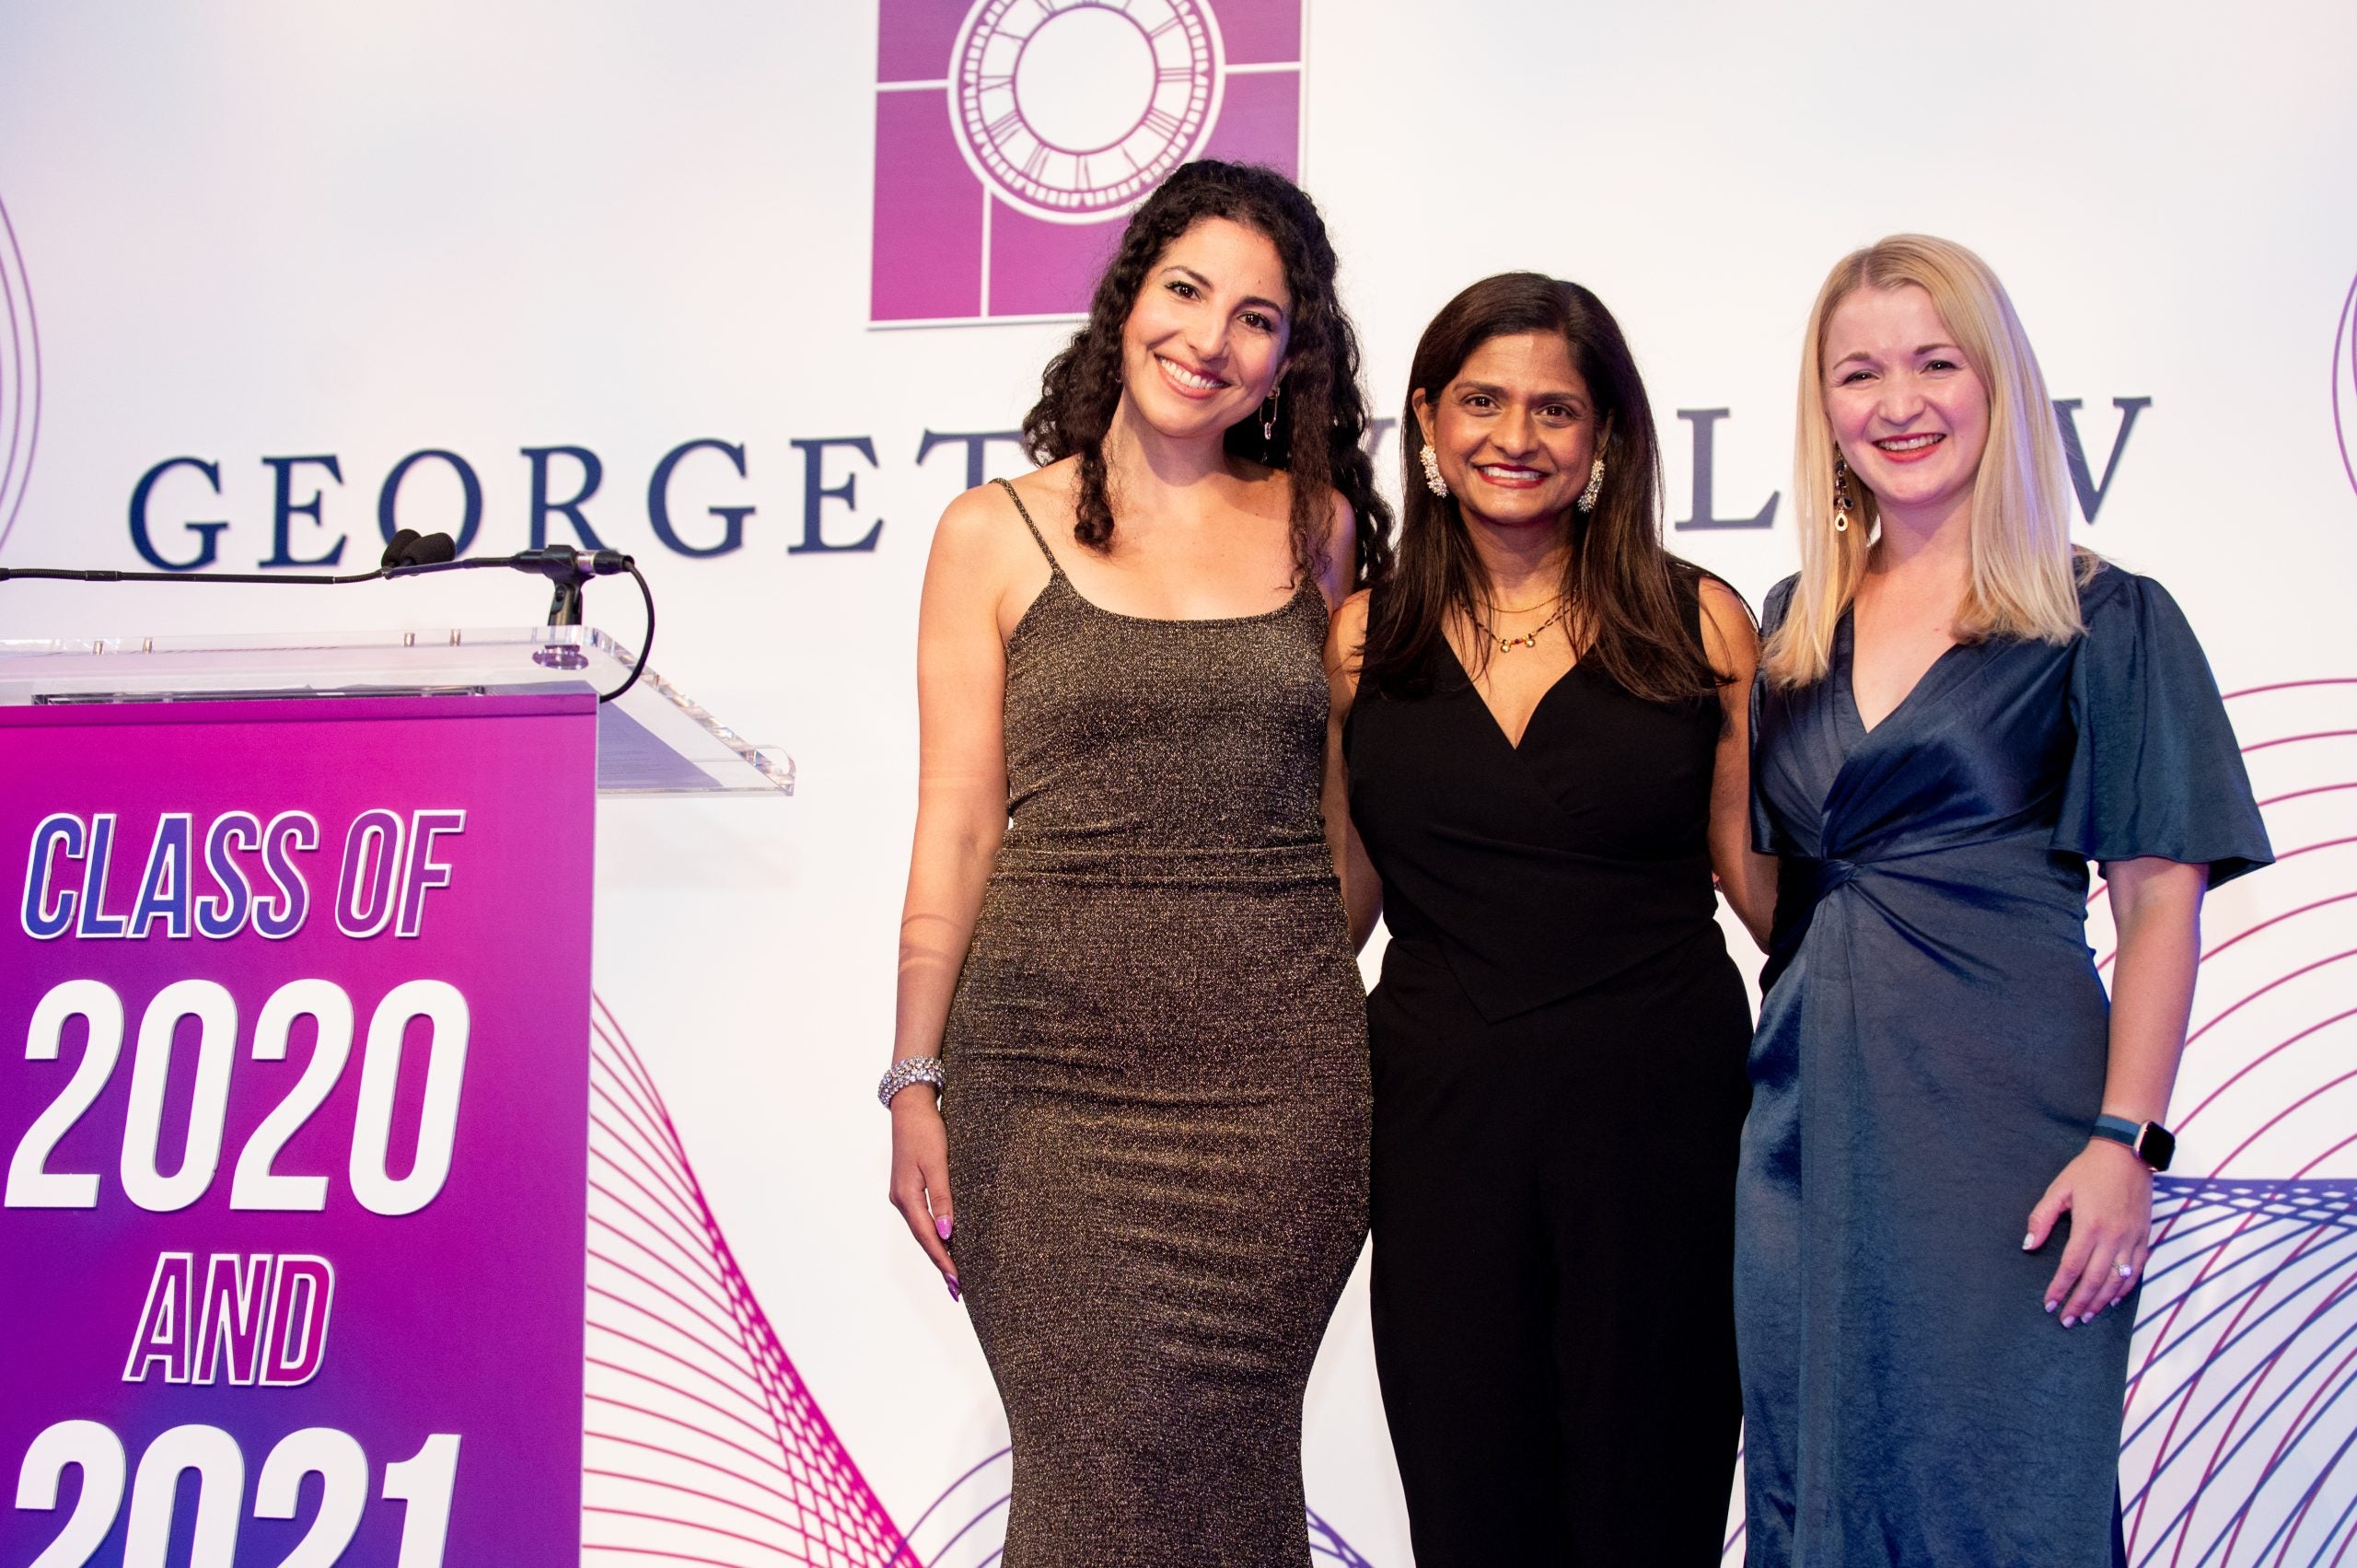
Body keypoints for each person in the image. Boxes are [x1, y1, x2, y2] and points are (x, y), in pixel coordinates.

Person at [878, 161, 1392, 1568]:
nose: (1210, 339)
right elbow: (959, 823)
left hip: (1277, 1102)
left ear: (1291, 361)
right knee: (1095, 1467)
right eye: (1186, 291)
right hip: (1045, 1092)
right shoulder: (993, 529)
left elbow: (1351, 833)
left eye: (1257, 320)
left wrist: (1259, 971)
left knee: (1230, 1475)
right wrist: (915, 1076)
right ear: (1127, 300)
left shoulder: (1322, 529)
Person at [1736, 234, 2272, 1566]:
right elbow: (1771, 893)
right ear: (1824, 409)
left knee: (2002, 1489)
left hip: (2012, 1134)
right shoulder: (1791, 624)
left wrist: (2126, 1144)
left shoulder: (2105, 616)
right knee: (1816, 1485)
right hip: (1801, 1124)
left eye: (1935, 361)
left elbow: (2159, 900)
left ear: (2001, 382)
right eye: (1858, 373)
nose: (1897, 403)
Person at [1327, 272, 1776, 1563]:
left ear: (1606, 440)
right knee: (1471, 1503)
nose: (1514, 436)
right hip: (1438, 1126)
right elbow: (1335, 904)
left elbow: (1759, 890)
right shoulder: (1364, 640)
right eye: (1481, 401)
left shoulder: (1699, 622)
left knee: (1655, 1502)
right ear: (1425, 419)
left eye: (1555, 408)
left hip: (1663, 1124)